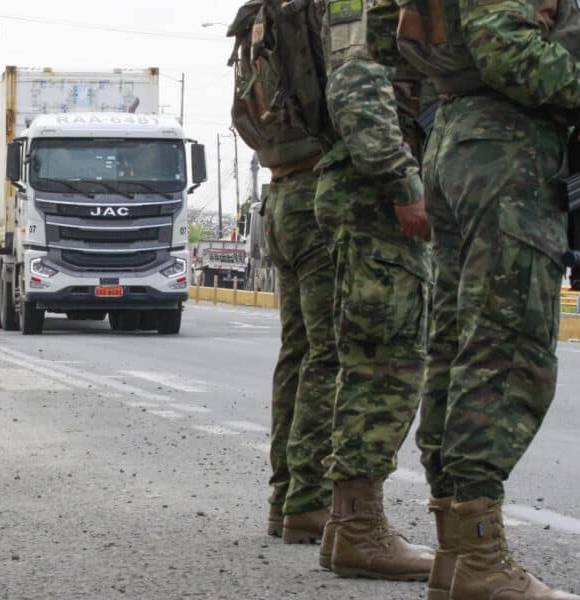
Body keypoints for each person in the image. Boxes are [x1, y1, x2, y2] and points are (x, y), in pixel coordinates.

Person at [396, 0, 580, 597]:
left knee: (457, 345)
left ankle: (456, 550)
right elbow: (506, 48)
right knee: (506, 349)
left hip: (462, 139)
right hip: (505, 154)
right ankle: (477, 554)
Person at [315, 0, 435, 581]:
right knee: (388, 365)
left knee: (369, 362)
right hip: (376, 203)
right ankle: (361, 531)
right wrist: (403, 180)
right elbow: (355, 84)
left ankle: (347, 527)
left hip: (370, 197)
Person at [226, 0, 338, 545]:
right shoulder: (314, 13)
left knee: (298, 351)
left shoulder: (261, 18)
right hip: (319, 194)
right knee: (328, 352)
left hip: (282, 195)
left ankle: (286, 498)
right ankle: (309, 500)